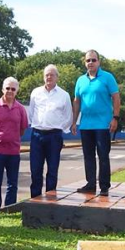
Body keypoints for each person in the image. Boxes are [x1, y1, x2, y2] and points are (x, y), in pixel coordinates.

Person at [72, 50, 120, 197]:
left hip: (103, 125)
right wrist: (74, 121)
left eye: (93, 60)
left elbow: (116, 98)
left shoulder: (107, 77)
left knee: (103, 156)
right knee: (88, 156)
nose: (90, 63)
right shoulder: (80, 80)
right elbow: (77, 101)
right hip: (86, 125)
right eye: (88, 60)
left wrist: (115, 118)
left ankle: (104, 186)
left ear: (99, 62)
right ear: (85, 63)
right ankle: (91, 184)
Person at [27, 64, 73, 197]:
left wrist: (59, 129)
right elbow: (31, 113)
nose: (49, 77)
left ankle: (50, 199)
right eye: (46, 74)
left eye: (52, 74)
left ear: (57, 77)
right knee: (35, 169)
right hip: (37, 134)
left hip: (54, 136)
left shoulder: (64, 95)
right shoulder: (36, 92)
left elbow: (68, 116)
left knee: (52, 170)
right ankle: (35, 199)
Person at [0, 77, 28, 210]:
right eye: (7, 88)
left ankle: (10, 209)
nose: (10, 91)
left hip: (13, 151)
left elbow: (22, 129)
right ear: (2, 89)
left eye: (13, 89)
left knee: (12, 183)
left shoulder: (21, 109)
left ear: (17, 91)